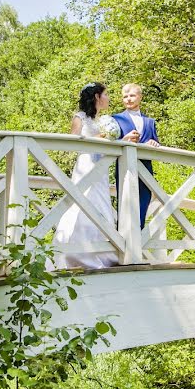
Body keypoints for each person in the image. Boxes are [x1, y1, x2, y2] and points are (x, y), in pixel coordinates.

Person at [51, 82, 120, 270]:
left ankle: (102, 252)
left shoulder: (102, 120)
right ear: (97, 96)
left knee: (101, 203)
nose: (108, 98)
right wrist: (101, 138)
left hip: (101, 167)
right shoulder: (80, 117)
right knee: (83, 204)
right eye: (106, 94)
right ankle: (75, 254)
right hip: (86, 166)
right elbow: (72, 143)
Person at [114, 83, 160, 229]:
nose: (128, 99)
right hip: (125, 168)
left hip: (146, 170)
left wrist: (154, 142)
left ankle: (137, 238)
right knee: (125, 205)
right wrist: (124, 140)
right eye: (125, 97)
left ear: (140, 97)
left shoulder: (150, 122)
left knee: (143, 204)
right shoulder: (116, 119)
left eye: (132, 95)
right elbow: (111, 143)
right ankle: (123, 241)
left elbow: (156, 143)